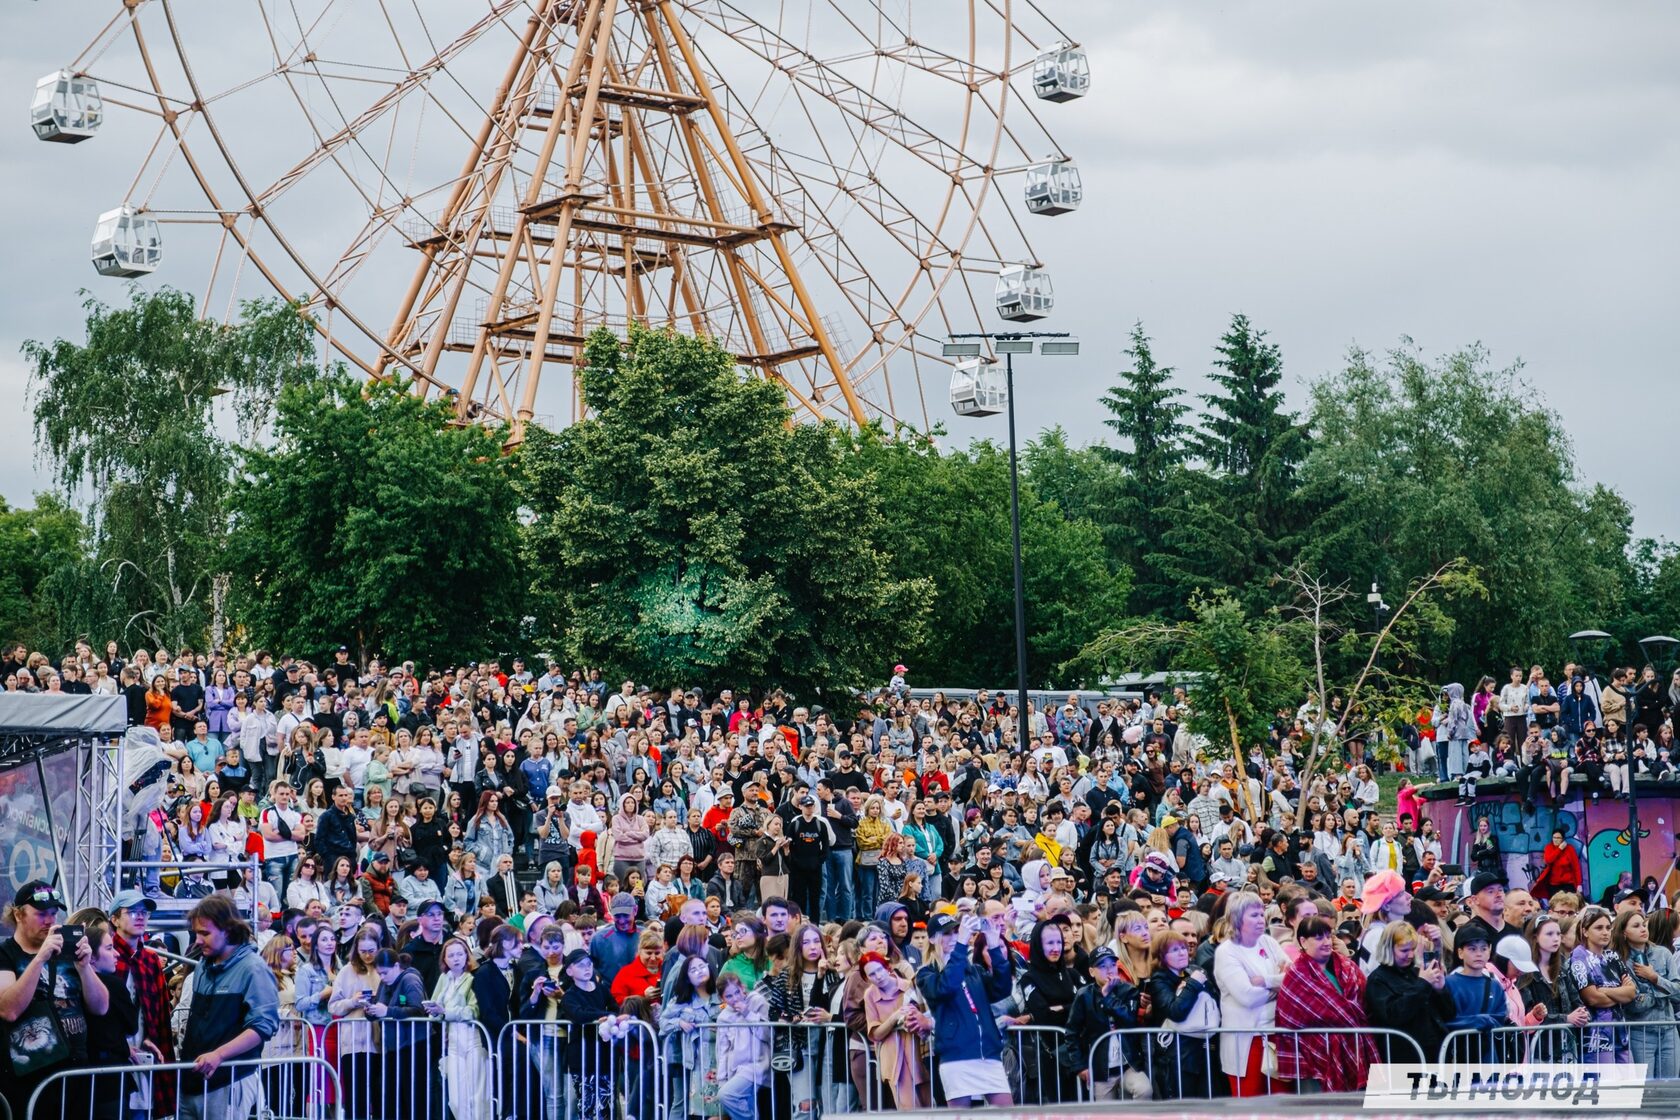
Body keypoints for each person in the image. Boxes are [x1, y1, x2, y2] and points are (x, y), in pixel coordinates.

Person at [0, 879, 110, 1119]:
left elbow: (101, 1007)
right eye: (41, 914)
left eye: (53, 913)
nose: (50, 921)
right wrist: (39, 959)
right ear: (18, 915)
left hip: (75, 1069)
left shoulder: (66, 952)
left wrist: (85, 968)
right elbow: (8, 1010)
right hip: (31, 1070)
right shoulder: (5, 953)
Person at [178, 894, 281, 1120]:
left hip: (229, 1081)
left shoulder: (253, 969)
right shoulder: (204, 966)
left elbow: (263, 1026)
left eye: (205, 933)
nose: (197, 940)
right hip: (193, 1082)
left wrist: (219, 1055)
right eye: (196, 933)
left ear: (227, 930)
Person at [915, 911, 1014, 1108]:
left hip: (988, 1054)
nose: (953, 937)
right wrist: (961, 944)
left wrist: (994, 947)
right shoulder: (926, 973)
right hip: (956, 1057)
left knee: (1008, 1113)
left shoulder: (973, 970)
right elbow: (947, 986)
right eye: (947, 934)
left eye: (955, 931)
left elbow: (1002, 988)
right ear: (933, 938)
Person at [1275, 915, 1379, 1091]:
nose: (1326, 942)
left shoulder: (1348, 965)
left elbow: (1365, 1000)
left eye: (1328, 936)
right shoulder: (1296, 975)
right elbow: (1289, 1019)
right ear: (1303, 941)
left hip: (1355, 1048)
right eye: (1318, 937)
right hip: (1315, 1055)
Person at [1212, 891, 1285, 1097]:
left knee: (1282, 1106)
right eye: (1254, 915)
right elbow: (1247, 997)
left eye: (1262, 914)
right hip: (1246, 1040)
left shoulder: (1269, 942)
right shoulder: (1226, 952)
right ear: (1237, 918)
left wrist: (1266, 982)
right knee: (1249, 1106)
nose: (1261, 919)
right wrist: (1277, 988)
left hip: (1276, 1034)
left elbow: (1293, 977)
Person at [1363, 919, 1454, 1066]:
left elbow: (1448, 1013)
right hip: (1401, 1057)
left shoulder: (1418, 972)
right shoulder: (1377, 980)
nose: (1410, 955)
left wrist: (1440, 990)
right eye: (1404, 950)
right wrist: (1422, 984)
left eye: (1413, 949)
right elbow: (1392, 1015)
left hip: (1434, 1054)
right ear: (1388, 948)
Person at [1146, 927, 1217, 1099]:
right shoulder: (1159, 979)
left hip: (1201, 1050)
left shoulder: (1193, 971)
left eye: (1183, 948)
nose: (1182, 953)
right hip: (1177, 1056)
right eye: (1174, 950)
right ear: (1161, 955)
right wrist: (1193, 985)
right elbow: (1175, 1011)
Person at [423, 937, 488, 1120]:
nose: (456, 958)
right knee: (455, 1099)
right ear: (444, 959)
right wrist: (434, 1011)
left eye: (460, 954)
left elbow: (473, 1010)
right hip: (452, 1041)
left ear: (467, 956)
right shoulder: (445, 978)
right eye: (451, 955)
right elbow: (434, 1009)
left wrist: (445, 1012)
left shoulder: (474, 978)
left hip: (473, 1038)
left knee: (476, 1094)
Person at [1612, 908, 1678, 1078]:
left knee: (1670, 1088)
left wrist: (1654, 978)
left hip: (1669, 1030)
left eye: (1644, 925)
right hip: (1640, 1033)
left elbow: (1678, 994)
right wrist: (1663, 992)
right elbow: (1634, 1004)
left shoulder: (1663, 954)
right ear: (1624, 933)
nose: (1643, 929)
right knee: (1646, 1089)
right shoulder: (1620, 961)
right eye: (1636, 926)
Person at [1570, 905, 1636, 1064]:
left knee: (1630, 1084)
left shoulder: (1613, 956)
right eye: (1599, 928)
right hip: (1596, 1036)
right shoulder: (1578, 957)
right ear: (1585, 931)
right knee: (1606, 1086)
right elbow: (1592, 998)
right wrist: (1621, 993)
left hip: (1620, 1032)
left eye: (1608, 927)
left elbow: (1632, 993)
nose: (1606, 932)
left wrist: (1604, 990)